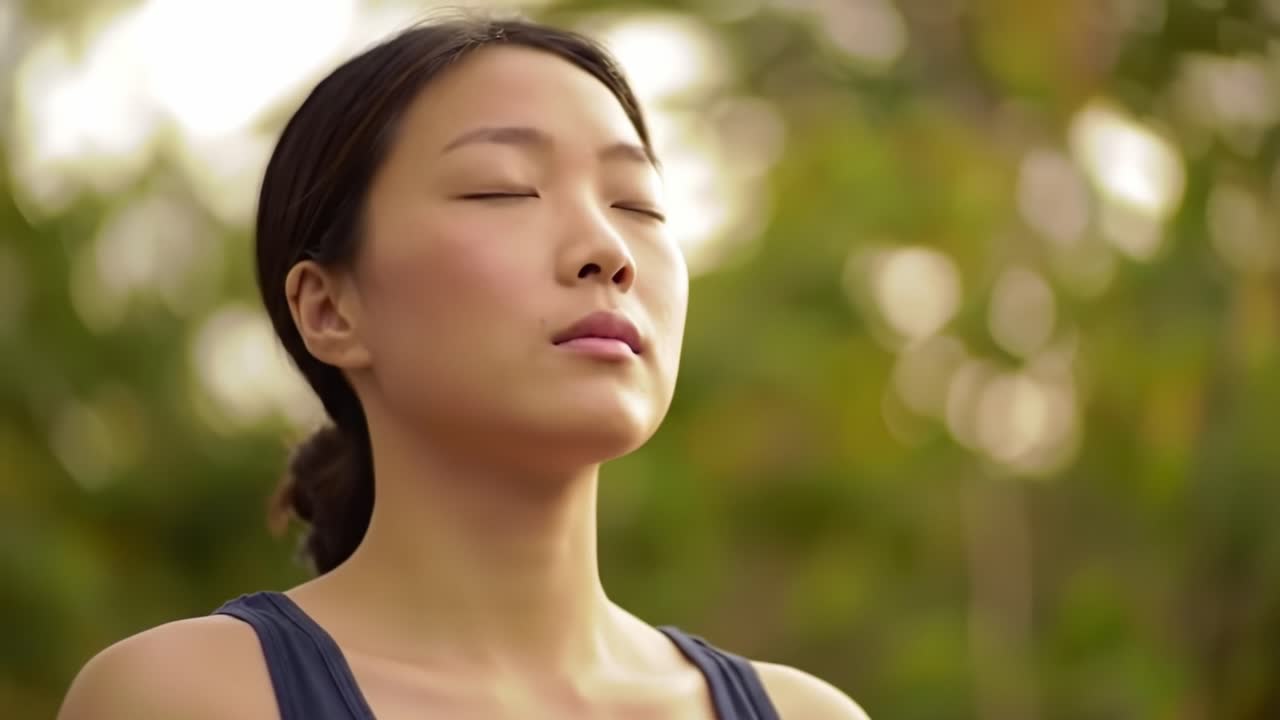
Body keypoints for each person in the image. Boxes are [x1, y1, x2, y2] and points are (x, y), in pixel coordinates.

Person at [57, 14, 868, 720]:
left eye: (638, 204)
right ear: (330, 309)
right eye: (502, 190)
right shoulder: (186, 698)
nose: (609, 252)